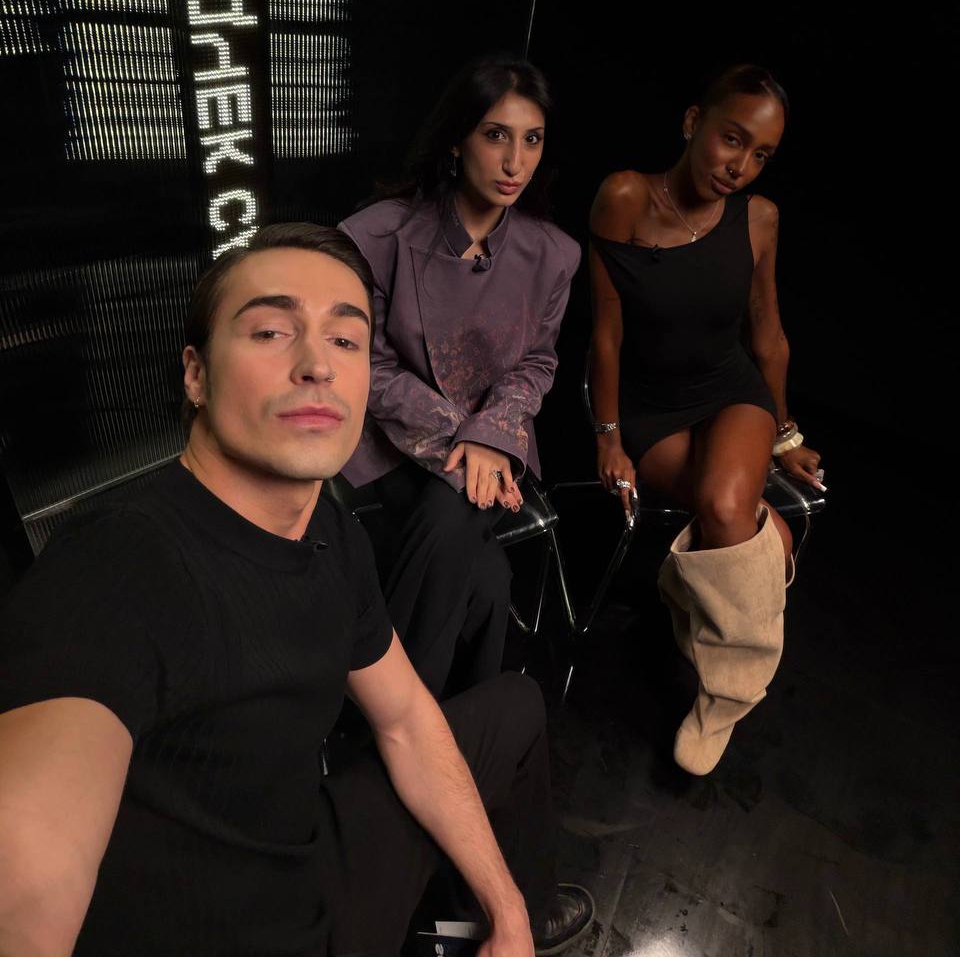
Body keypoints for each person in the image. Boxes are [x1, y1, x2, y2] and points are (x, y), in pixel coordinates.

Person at [0, 223, 593, 956]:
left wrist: (506, 912)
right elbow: (27, 881)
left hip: (302, 858)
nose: (317, 364)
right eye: (271, 332)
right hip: (228, 932)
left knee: (516, 708)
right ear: (195, 374)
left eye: (345, 340)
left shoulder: (329, 531)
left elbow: (406, 719)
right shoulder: (117, 564)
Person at [588, 64, 823, 776]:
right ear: (694, 122)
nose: (740, 166)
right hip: (650, 405)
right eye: (732, 139)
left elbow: (767, 332)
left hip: (730, 390)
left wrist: (785, 436)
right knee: (750, 524)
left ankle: (725, 693)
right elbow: (605, 333)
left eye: (761, 155)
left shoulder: (759, 219)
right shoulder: (624, 197)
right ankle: (724, 570)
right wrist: (608, 437)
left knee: (725, 505)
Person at [338, 54, 581, 697]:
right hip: (393, 443)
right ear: (456, 139)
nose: (515, 162)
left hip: (496, 441)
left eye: (532, 140)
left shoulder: (554, 254)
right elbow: (367, 364)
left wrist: (491, 435)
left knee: (454, 522)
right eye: (496, 135)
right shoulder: (376, 236)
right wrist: (466, 440)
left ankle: (393, 715)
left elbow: (538, 363)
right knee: (487, 581)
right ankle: (440, 721)